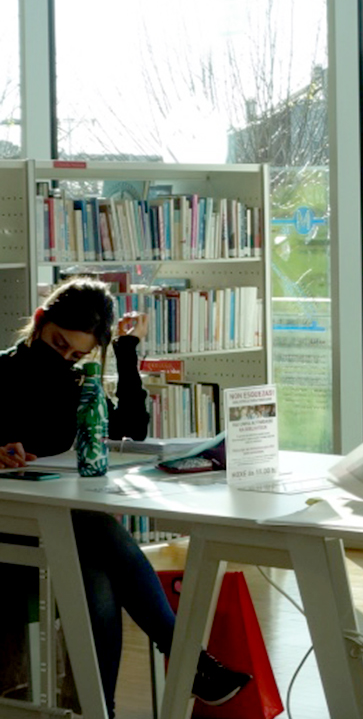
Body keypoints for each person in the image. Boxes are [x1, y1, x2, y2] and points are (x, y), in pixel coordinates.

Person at [0, 278, 249, 716]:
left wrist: (126, 352)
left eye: (77, 354)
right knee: (94, 528)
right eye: (58, 345)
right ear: (39, 323)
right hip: (11, 531)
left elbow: (131, 429)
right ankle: (189, 662)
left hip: (58, 530)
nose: (64, 359)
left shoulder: (75, 384)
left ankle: (103, 711)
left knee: (97, 569)